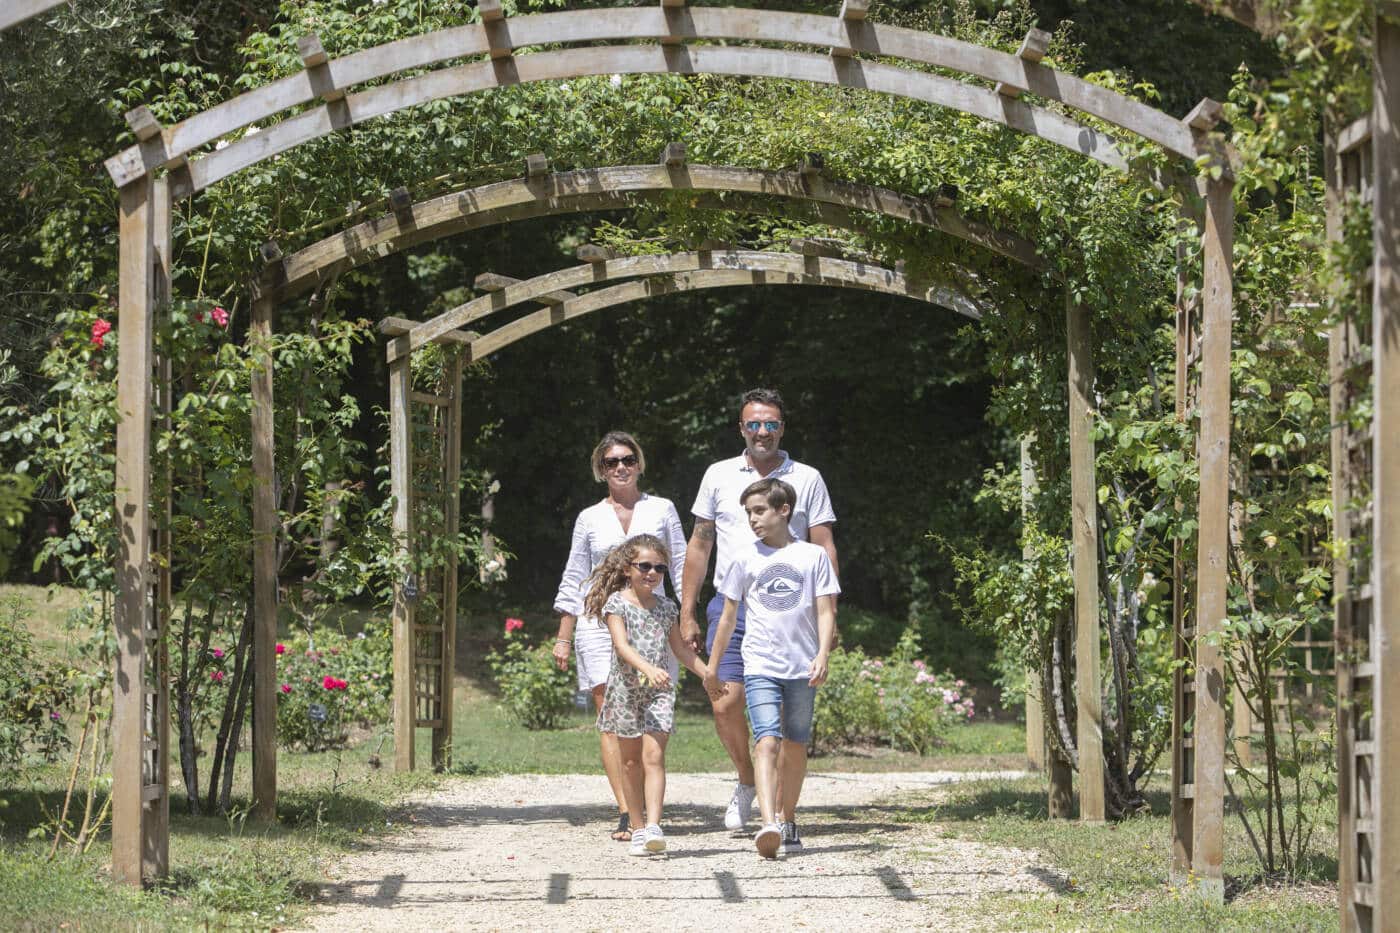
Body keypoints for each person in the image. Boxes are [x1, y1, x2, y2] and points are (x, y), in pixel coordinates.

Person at [679, 388, 838, 832]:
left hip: (791, 608)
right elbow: (701, 543)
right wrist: (687, 610)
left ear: (782, 428)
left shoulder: (807, 477)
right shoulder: (718, 474)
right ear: (741, 428)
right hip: (733, 605)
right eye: (754, 424)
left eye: (770, 424)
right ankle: (748, 781)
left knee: (790, 723)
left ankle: (782, 812)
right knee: (724, 701)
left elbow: (823, 545)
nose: (762, 431)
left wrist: (831, 615)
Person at [553, 432, 686, 842]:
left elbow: (680, 566)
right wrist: (563, 635)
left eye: (627, 459)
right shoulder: (589, 518)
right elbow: (575, 576)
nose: (621, 467)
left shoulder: (662, 509)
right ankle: (628, 810)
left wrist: (690, 619)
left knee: (652, 710)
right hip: (599, 621)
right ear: (601, 470)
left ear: (639, 463)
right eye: (611, 462)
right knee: (610, 715)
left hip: (652, 621)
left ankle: (649, 802)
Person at [703, 478, 839, 858]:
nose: (752, 519)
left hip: (801, 667)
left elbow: (826, 610)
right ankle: (768, 823)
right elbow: (728, 618)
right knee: (766, 740)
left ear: (784, 511)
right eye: (748, 512)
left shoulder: (813, 557)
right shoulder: (744, 559)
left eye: (759, 510)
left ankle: (787, 815)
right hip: (760, 663)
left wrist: (823, 654)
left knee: (794, 745)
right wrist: (713, 668)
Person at [586, 534, 713, 856]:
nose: (652, 573)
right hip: (626, 691)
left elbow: (681, 651)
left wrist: (707, 673)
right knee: (630, 762)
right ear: (628, 569)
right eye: (645, 566)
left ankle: (654, 825)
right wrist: (646, 668)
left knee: (653, 757)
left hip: (658, 691)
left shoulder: (667, 607)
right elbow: (621, 646)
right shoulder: (617, 604)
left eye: (659, 568)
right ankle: (637, 826)